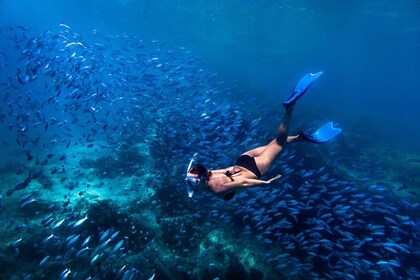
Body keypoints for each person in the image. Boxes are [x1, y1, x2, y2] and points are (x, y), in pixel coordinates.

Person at [184, 72, 342, 200]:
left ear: (201, 180)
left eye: (191, 183)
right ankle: (301, 138)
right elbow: (202, 170)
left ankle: (289, 107)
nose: (190, 186)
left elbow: (244, 182)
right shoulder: (208, 173)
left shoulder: (217, 189)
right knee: (274, 143)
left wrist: (265, 183)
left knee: (279, 143)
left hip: (254, 168)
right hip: (243, 159)